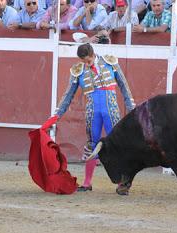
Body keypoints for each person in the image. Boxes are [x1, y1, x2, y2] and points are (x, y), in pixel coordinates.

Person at [43, 43, 135, 192]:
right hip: (93, 112)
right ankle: (87, 183)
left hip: (110, 109)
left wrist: (131, 107)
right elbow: (68, 95)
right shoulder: (78, 71)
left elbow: (124, 85)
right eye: (83, 61)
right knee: (92, 144)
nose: (86, 64)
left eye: (88, 61)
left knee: (118, 144)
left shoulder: (109, 62)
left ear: (93, 54)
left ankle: (122, 182)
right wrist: (56, 116)